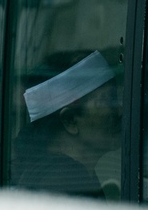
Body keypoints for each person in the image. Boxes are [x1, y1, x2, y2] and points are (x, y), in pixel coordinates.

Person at [12, 51, 122, 199]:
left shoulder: (61, 176)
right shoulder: (66, 183)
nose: (119, 111)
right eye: (108, 100)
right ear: (70, 120)